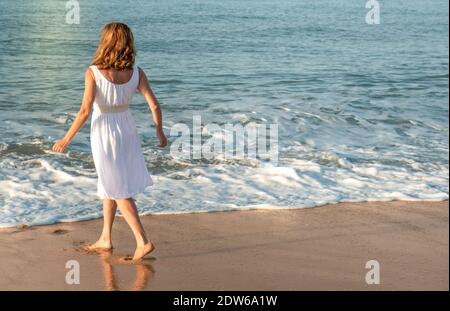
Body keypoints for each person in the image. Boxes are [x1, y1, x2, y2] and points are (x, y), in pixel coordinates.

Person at [52, 22, 167, 261]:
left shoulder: (93, 72)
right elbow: (154, 105)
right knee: (109, 183)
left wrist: (66, 138)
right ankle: (106, 238)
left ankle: (143, 241)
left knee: (117, 189)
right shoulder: (137, 72)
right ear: (127, 44)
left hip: (104, 131)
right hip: (127, 129)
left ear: (105, 42)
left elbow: (85, 110)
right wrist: (160, 133)